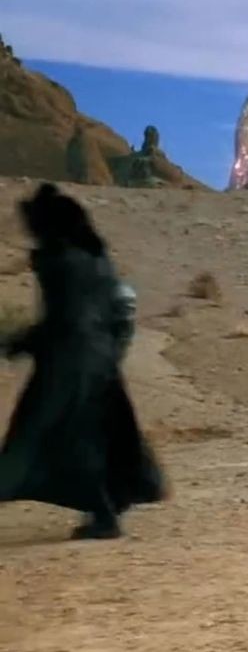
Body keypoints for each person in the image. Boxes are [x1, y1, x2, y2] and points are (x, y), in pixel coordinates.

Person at [1, 183, 165, 539]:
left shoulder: (58, 261)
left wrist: (25, 341)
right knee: (87, 441)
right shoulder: (96, 256)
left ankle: (104, 516)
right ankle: (105, 515)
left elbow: (66, 319)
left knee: (35, 439)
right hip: (98, 362)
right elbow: (117, 310)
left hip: (68, 365)